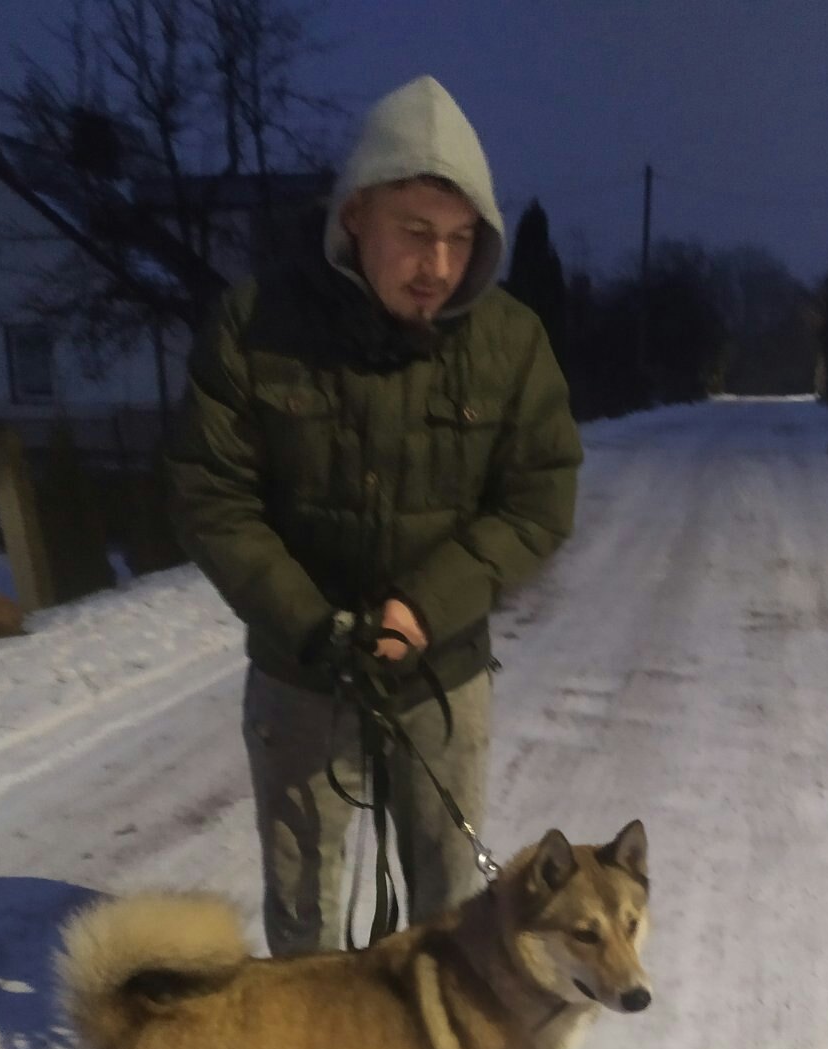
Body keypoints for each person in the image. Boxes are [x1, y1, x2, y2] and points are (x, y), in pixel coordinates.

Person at [169, 75, 583, 954]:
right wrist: (309, 623)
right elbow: (213, 496)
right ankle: (311, 1043)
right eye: (416, 233)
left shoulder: (511, 342)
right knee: (303, 913)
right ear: (355, 215)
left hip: (443, 671)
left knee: (447, 914)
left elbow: (539, 500)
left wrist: (425, 606)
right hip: (300, 673)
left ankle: (425, 1042)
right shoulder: (254, 327)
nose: (440, 267)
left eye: (461, 239)